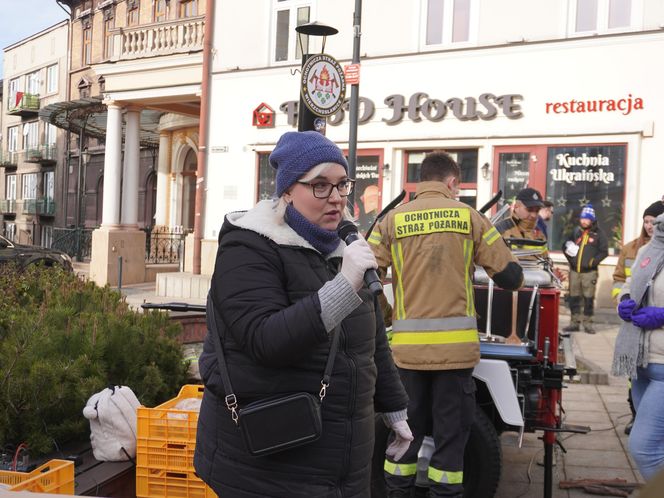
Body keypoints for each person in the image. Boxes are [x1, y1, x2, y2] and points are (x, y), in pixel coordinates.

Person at [193, 131, 411, 498]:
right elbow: (265, 340)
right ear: (288, 191)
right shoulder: (247, 246)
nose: (337, 198)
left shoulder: (345, 250)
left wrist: (394, 409)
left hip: (344, 461)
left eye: (343, 185)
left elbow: (371, 344)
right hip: (267, 463)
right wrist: (344, 285)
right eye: (320, 186)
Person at [369, 151, 523, 498]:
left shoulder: (391, 221)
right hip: (456, 357)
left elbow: (366, 277)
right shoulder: (470, 217)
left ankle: (396, 491)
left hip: (407, 354)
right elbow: (512, 277)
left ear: (421, 181)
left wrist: (387, 314)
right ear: (452, 182)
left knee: (404, 434)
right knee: (451, 439)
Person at [612, 212, 664, 481]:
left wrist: (662, 315)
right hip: (642, 363)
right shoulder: (650, 246)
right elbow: (630, 283)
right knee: (658, 447)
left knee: (643, 448)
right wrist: (625, 300)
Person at [562, 204, 608, 334]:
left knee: (588, 299)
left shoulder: (599, 234)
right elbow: (565, 245)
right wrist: (571, 260)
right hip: (574, 272)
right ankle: (574, 323)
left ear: (592, 220)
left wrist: (592, 262)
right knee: (574, 298)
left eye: (586, 219)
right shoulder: (576, 232)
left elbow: (604, 252)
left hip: (589, 273)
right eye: (582, 218)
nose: (583, 221)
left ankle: (588, 324)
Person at [495, 187, 548, 256]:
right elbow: (484, 257)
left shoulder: (539, 234)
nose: (534, 215)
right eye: (529, 209)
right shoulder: (498, 230)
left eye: (537, 211)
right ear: (516, 207)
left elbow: (546, 260)